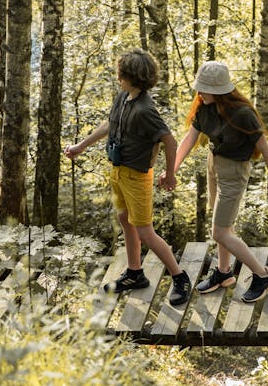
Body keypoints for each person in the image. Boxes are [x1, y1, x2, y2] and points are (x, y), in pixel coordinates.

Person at [64, 48, 191, 306]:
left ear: (132, 77)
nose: (117, 78)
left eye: (120, 74)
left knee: (145, 232)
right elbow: (110, 124)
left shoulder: (145, 109)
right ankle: (135, 273)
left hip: (137, 176)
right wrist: (81, 146)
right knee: (124, 218)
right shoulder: (123, 97)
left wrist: (171, 174)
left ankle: (179, 277)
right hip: (118, 171)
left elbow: (169, 139)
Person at [159, 61, 268, 303]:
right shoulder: (204, 107)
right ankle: (224, 271)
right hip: (214, 164)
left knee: (219, 232)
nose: (199, 92)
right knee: (221, 225)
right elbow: (190, 138)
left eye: (204, 88)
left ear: (219, 91)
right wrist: (171, 170)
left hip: (235, 171)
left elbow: (263, 146)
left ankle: (262, 276)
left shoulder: (243, 114)